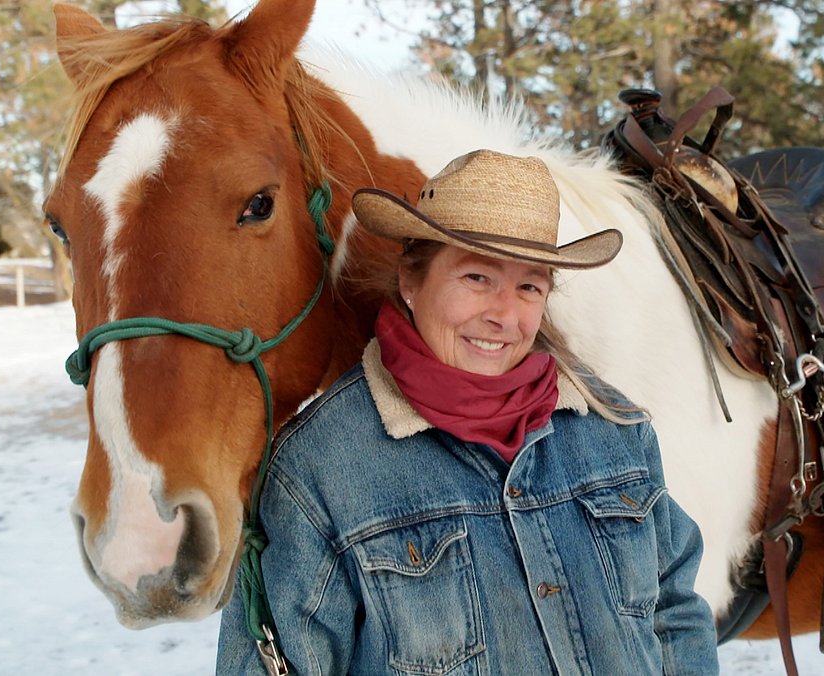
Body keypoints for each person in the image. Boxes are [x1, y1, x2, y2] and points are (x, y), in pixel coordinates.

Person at [217, 149, 719, 674]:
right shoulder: (316, 471)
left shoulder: (614, 428)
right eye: (477, 277)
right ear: (411, 280)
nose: (503, 314)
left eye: (529, 286)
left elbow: (674, 611)